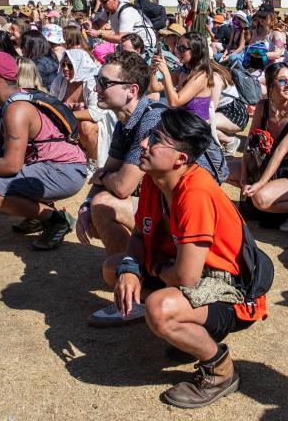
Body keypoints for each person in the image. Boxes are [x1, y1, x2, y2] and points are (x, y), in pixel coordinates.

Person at [108, 109, 266, 408]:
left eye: (155, 139)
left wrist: (148, 267)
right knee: (114, 269)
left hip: (230, 291)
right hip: (185, 270)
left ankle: (219, 370)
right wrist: (130, 267)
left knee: (159, 309)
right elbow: (141, 236)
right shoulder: (156, 181)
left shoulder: (195, 191)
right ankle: (185, 331)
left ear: (180, 159)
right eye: (147, 136)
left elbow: (186, 278)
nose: (143, 144)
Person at [79, 51, 228, 325]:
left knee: (106, 202)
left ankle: (137, 287)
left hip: (192, 214)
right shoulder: (126, 122)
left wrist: (103, 179)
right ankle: (132, 278)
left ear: (131, 90)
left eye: (104, 82)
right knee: (100, 209)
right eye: (97, 80)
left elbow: (122, 185)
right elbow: (111, 171)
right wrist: (84, 205)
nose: (96, 87)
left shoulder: (151, 120)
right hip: (166, 209)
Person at [0, 52, 87, 251]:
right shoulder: (10, 103)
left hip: (65, 170)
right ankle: (37, 215)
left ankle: (56, 219)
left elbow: (12, 164)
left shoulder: (17, 109)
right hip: (54, 165)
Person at [238, 62, 288, 233]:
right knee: (224, 170)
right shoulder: (263, 106)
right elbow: (250, 141)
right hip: (267, 165)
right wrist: (244, 178)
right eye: (282, 81)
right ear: (270, 84)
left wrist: (260, 183)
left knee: (260, 198)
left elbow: (281, 151)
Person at [49, 48, 115, 170]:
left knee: (86, 127)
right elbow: (52, 104)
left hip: (96, 124)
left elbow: (96, 113)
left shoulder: (92, 83)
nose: (65, 69)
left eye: (70, 66)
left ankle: (94, 164)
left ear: (80, 66)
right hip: (67, 122)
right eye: (63, 64)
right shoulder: (59, 81)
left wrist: (67, 113)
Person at [88, 0, 157, 48]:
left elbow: (122, 38)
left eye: (104, 2)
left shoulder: (126, 12)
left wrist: (99, 35)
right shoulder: (108, 10)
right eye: (100, 1)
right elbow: (97, 24)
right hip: (128, 43)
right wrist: (88, 24)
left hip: (144, 44)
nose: (102, 5)